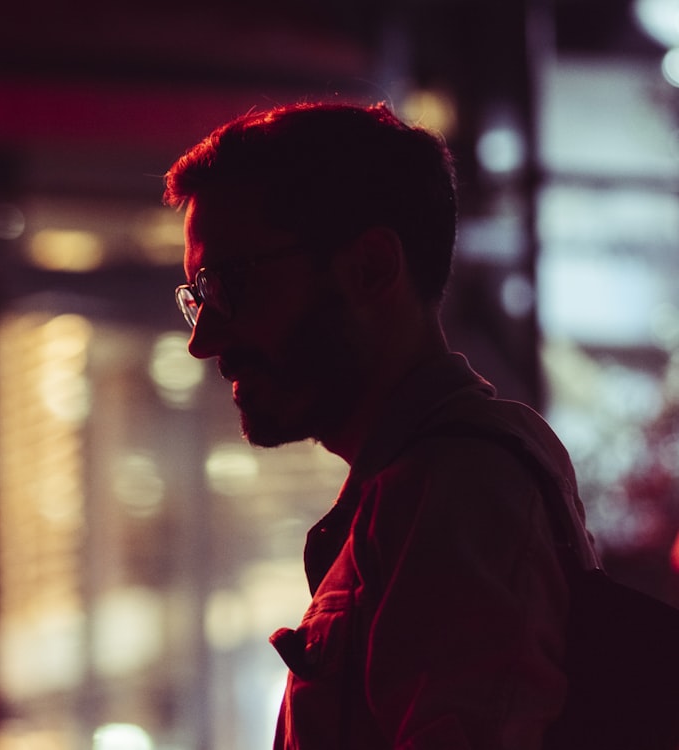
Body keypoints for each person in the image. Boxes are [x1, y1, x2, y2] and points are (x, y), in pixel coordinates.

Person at [163, 101, 600, 749]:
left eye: (228, 284)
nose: (204, 339)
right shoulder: (420, 489)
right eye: (197, 296)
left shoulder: (458, 490)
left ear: (370, 269)